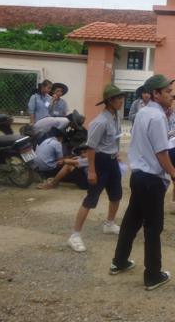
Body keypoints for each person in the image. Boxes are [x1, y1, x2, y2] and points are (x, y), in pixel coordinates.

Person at [111, 74, 175, 291]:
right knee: (153, 227)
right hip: (151, 179)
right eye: (167, 92)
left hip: (139, 175)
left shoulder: (143, 112)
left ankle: (119, 260)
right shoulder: (157, 117)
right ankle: (153, 275)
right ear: (155, 94)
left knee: (132, 220)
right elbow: (161, 152)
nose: (171, 96)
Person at [67, 84, 125, 253]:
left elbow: (113, 139)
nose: (121, 101)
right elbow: (91, 147)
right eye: (118, 98)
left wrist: (115, 153)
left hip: (112, 161)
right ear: (110, 101)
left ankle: (109, 224)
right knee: (91, 198)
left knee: (116, 195)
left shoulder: (116, 117)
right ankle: (75, 235)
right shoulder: (100, 122)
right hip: (100, 163)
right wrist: (91, 171)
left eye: (121, 98)